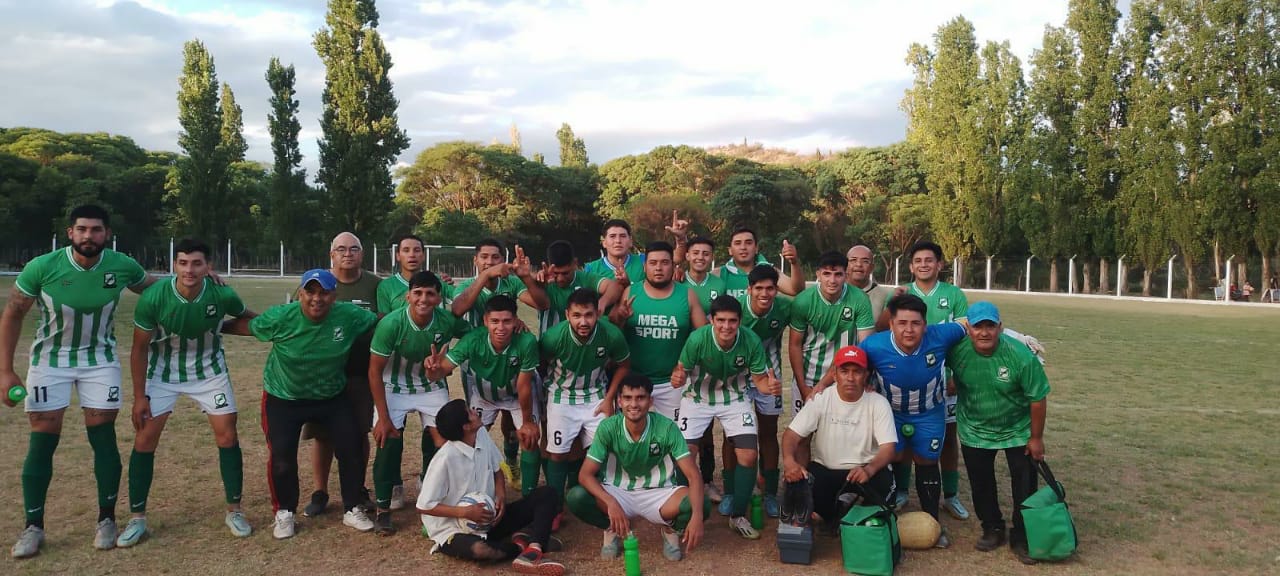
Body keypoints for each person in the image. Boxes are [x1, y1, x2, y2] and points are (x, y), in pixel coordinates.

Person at [2, 205, 159, 558]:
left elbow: (155, 289)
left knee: (102, 438)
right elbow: (12, 314)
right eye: (82, 229)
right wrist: (5, 371)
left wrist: (199, 278)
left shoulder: (122, 265)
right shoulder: (42, 267)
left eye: (97, 230)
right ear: (70, 233)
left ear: (107, 234)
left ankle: (106, 520)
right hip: (49, 363)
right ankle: (33, 527)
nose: (89, 236)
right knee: (42, 441)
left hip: (100, 362)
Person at [116, 239, 257, 547]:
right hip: (163, 374)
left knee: (227, 436)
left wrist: (276, 326)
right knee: (144, 438)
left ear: (208, 267)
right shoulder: (153, 297)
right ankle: (137, 518)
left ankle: (234, 510)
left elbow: (247, 317)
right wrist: (140, 397)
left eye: (196, 263)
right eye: (183, 263)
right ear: (174, 265)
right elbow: (139, 349)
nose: (189, 270)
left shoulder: (222, 294)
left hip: (209, 372)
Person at [227, 269, 379, 539]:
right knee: (282, 458)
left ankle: (352, 507)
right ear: (300, 293)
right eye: (310, 291)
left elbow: (381, 321)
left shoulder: (350, 315)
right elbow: (245, 326)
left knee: (351, 447)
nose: (317, 298)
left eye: (324, 292)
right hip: (285, 397)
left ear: (334, 296)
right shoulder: (280, 317)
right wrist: (204, 327)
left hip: (331, 395)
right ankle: (284, 513)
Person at [947, 302, 1049, 565]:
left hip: (1017, 429)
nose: (984, 332)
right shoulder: (956, 352)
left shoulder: (1021, 357)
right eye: (978, 326)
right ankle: (992, 527)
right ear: (968, 329)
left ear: (1000, 328)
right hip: (975, 428)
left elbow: (1038, 398)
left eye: (990, 326)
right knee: (981, 483)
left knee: (1025, 484)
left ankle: (1022, 535)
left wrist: (1035, 438)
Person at [670, 295, 780, 540]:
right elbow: (681, 371)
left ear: (740, 321)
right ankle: (682, 513)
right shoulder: (698, 339)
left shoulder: (750, 340)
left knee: (749, 455)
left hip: (734, 398)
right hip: (697, 399)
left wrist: (769, 388)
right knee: (684, 454)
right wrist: (677, 378)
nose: (726, 327)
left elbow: (760, 380)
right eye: (721, 320)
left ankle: (738, 515)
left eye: (732, 321)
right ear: (711, 320)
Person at [566, 374, 708, 562]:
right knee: (576, 497)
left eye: (640, 398)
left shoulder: (666, 428)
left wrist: (697, 517)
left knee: (700, 504)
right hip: (618, 491)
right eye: (627, 398)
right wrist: (611, 503)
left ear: (650, 401)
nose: (634, 404)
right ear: (619, 401)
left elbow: (693, 476)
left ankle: (670, 528)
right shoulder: (608, 427)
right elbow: (585, 475)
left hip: (659, 492)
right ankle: (612, 526)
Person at [417, 399, 566, 575]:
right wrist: (465, 513)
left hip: (490, 519)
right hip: (455, 530)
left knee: (548, 494)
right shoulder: (444, 459)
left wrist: (501, 496)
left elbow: (497, 470)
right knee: (481, 550)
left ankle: (533, 550)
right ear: (465, 426)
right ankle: (519, 546)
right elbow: (424, 506)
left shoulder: (481, 435)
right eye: (470, 412)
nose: (474, 411)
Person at [367, 271, 466, 535]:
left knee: (444, 438)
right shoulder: (390, 323)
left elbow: (475, 335)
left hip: (431, 385)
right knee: (388, 439)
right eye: (418, 293)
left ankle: (431, 489)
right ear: (408, 296)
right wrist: (383, 417)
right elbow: (374, 372)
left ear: (438, 297)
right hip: (393, 386)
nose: (423, 299)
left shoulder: (446, 321)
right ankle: (383, 509)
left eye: (430, 293)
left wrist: (448, 361)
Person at [450, 239, 546, 484]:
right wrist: (485, 276)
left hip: (510, 361)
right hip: (477, 365)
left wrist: (526, 279)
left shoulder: (511, 282)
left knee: (511, 416)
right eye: (484, 257)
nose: (489, 262)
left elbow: (541, 304)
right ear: (475, 260)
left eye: (495, 258)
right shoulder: (466, 286)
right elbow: (458, 309)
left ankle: (511, 460)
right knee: (478, 422)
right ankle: (476, 476)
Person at [302, 232, 381, 518]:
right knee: (323, 435)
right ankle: (320, 492)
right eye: (341, 249)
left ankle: (358, 488)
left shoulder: (375, 284)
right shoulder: (318, 282)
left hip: (361, 372)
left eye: (354, 248)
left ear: (362, 253)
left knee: (360, 433)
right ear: (331, 253)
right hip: (325, 372)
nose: (348, 253)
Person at [425, 295, 542, 488]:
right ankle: (467, 488)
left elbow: (524, 386)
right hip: (484, 396)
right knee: (467, 441)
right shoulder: (473, 340)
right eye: (495, 321)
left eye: (506, 321)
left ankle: (529, 496)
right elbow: (440, 371)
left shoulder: (526, 341)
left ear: (515, 321)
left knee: (529, 438)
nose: (501, 328)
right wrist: (433, 369)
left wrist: (528, 422)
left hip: (516, 396)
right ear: (485, 321)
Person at [781, 345, 897, 530]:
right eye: (844, 371)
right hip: (827, 470)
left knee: (880, 503)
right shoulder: (821, 399)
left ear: (866, 375)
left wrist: (869, 469)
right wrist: (789, 461)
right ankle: (837, 512)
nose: (850, 378)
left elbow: (888, 448)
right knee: (812, 506)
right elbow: (791, 435)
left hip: (865, 470)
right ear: (835, 375)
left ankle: (855, 512)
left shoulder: (878, 403)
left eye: (857, 372)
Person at [539, 289, 631, 499]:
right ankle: (555, 505)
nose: (583, 322)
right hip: (561, 395)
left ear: (597, 314)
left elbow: (624, 365)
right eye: (577, 316)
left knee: (604, 450)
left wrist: (609, 399)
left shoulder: (611, 334)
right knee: (557, 452)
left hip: (596, 395)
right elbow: (542, 364)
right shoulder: (553, 337)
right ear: (567, 315)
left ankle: (600, 497)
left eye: (588, 315)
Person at [902, 241, 970, 519]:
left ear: (940, 264)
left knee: (948, 438)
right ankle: (902, 492)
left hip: (945, 381)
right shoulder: (903, 293)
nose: (924, 265)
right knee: (905, 436)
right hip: (908, 381)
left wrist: (955, 374)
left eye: (929, 260)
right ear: (911, 266)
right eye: (918, 260)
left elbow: (962, 339)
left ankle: (950, 496)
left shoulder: (954, 295)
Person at [608, 242, 707, 421]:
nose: (659, 268)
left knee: (674, 442)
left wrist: (686, 368)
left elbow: (705, 337)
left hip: (672, 383)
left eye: (664, 262)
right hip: (634, 381)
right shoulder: (630, 292)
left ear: (673, 265)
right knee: (631, 442)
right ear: (645, 266)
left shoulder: (688, 295)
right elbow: (613, 335)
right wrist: (620, 317)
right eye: (653, 263)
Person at [724, 264, 793, 518]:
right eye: (759, 288)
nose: (765, 293)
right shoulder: (736, 308)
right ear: (749, 289)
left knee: (768, 432)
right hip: (738, 376)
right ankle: (730, 492)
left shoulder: (784, 308)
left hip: (769, 374)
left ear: (776, 290)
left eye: (770, 288)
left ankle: (771, 493)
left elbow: (796, 291)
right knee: (733, 434)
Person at [788, 251, 876, 414]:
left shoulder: (860, 299)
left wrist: (865, 378)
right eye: (827, 274)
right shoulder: (803, 301)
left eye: (838, 274)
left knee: (841, 433)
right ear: (818, 274)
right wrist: (802, 386)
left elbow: (865, 346)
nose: (832, 280)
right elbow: (794, 345)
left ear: (846, 274)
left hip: (845, 377)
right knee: (802, 437)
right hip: (809, 376)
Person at [535, 240, 620, 334]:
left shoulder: (586, 279)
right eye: (556, 273)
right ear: (548, 265)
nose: (560, 279)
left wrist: (602, 303)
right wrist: (537, 283)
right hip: (550, 345)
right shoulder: (541, 281)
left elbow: (614, 286)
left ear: (574, 263)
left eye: (565, 273)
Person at [584, 213, 690, 287]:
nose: (618, 241)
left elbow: (677, 258)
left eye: (622, 236)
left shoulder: (644, 261)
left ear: (630, 241)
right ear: (604, 242)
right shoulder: (591, 269)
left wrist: (680, 239)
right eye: (612, 236)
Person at [716, 227, 806, 299]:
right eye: (738, 243)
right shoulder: (718, 274)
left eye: (748, 243)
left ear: (756, 248)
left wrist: (794, 262)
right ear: (730, 250)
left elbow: (796, 290)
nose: (743, 247)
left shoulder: (769, 271)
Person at [378, 233, 453, 312]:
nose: (412, 255)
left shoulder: (438, 280)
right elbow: (385, 319)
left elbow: (460, 296)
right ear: (398, 256)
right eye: (406, 250)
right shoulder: (386, 286)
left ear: (423, 256)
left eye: (417, 250)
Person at [847, 244, 894, 330]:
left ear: (872, 267)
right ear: (845, 265)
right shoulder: (835, 292)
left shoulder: (884, 295)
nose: (859, 264)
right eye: (853, 260)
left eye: (865, 261)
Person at [681, 236, 726, 313]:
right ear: (687, 256)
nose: (700, 257)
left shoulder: (720, 284)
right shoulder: (678, 280)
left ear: (712, 257)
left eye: (706, 254)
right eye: (695, 253)